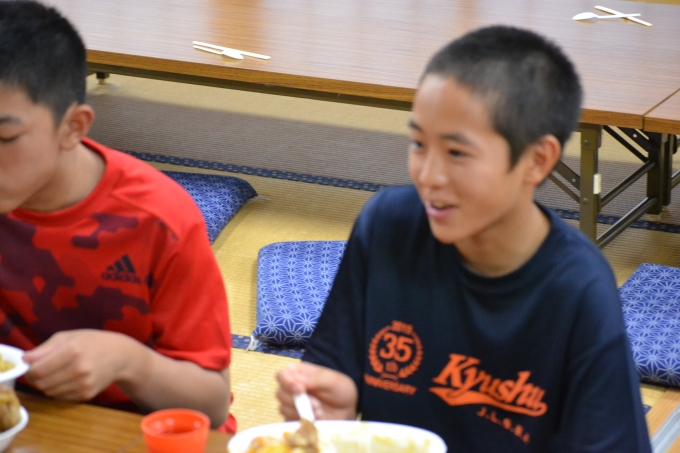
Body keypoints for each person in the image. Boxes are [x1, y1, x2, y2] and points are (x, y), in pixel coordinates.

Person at [277, 26, 651, 452]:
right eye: (419, 144)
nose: (428, 176)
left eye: (457, 153)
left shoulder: (577, 287)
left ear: (537, 160)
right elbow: (331, 379)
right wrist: (328, 408)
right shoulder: (388, 227)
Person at [0, 0, 234, 432]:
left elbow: (213, 404)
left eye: (5, 137)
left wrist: (129, 362)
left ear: (73, 127)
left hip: (141, 430)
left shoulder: (158, 219)